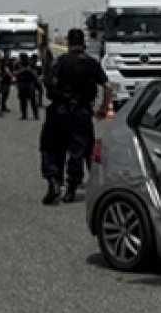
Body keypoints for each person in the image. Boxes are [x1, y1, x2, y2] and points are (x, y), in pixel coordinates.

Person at [41, 28, 112, 205]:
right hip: (82, 111)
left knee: (51, 147)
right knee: (78, 150)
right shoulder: (91, 63)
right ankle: (71, 188)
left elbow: (48, 83)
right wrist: (104, 107)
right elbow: (108, 86)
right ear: (84, 43)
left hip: (59, 110)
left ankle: (54, 180)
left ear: (68, 43)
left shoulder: (59, 62)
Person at [15, 52, 39, 120]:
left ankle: (36, 115)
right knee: (22, 100)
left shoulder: (31, 64)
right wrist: (22, 70)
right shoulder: (17, 64)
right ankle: (24, 115)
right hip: (21, 83)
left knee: (33, 100)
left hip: (30, 83)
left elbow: (36, 74)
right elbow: (15, 73)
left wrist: (30, 70)